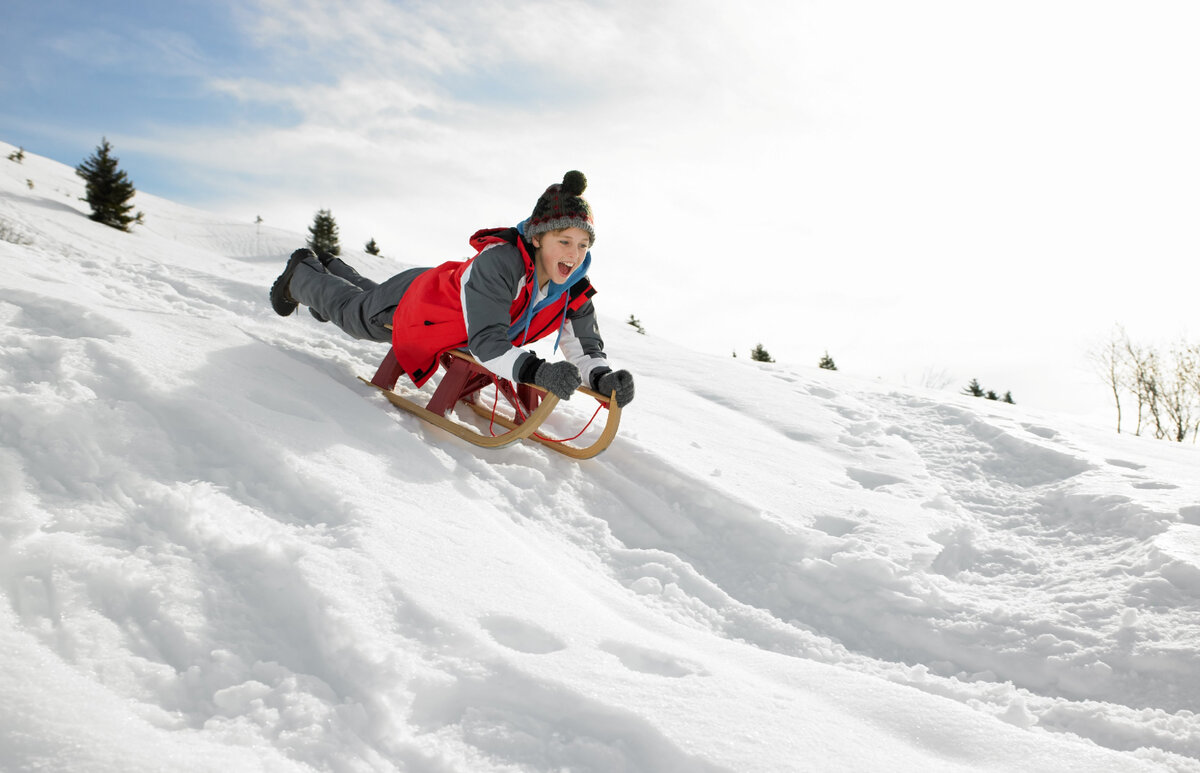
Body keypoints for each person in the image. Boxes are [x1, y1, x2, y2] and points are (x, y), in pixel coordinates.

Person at [269, 170, 635, 407]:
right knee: (355, 315)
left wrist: (602, 378)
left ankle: (333, 268)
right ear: (538, 238)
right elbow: (488, 344)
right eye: (564, 240)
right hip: (420, 303)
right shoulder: (501, 263)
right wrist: (537, 372)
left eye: (583, 245)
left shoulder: (573, 287)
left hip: (448, 306)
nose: (574, 254)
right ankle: (301, 275)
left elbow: (584, 345)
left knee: (364, 300)